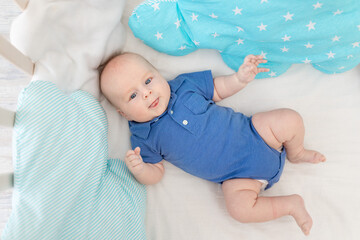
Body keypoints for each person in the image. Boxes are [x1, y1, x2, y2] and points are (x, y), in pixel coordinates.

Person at [100, 52, 326, 235]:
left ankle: (296, 152)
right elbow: (156, 172)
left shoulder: (184, 85)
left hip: (257, 134)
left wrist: (240, 79)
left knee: (289, 119)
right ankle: (291, 205)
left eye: (148, 81)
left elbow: (218, 89)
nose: (147, 93)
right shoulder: (143, 136)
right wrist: (140, 169)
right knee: (239, 209)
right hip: (239, 179)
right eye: (133, 96)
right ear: (124, 114)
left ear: (159, 74)